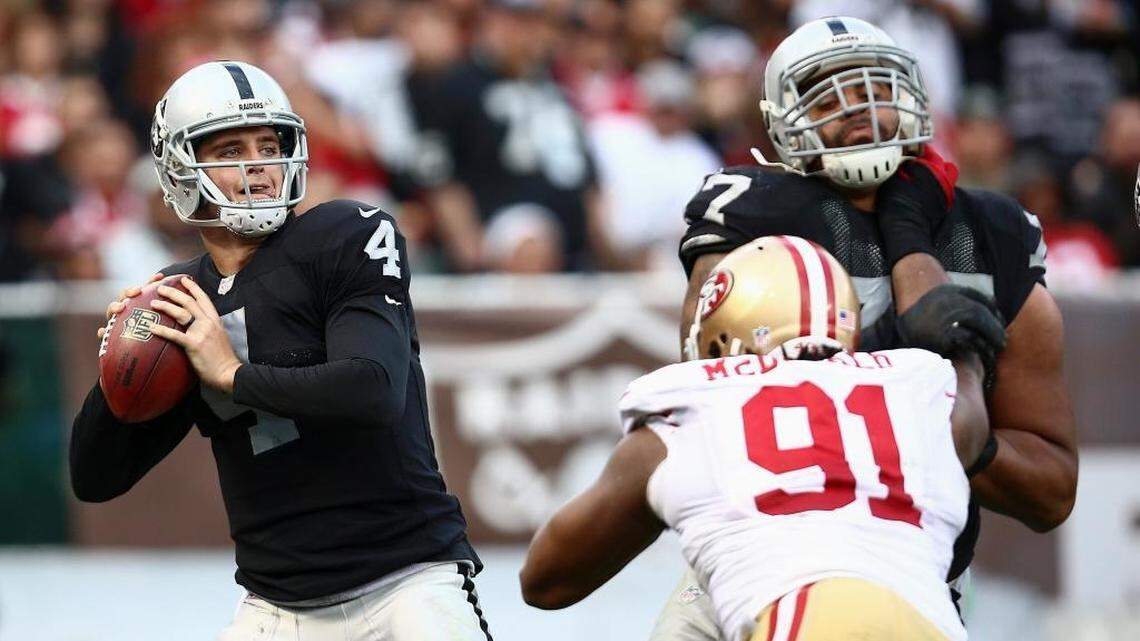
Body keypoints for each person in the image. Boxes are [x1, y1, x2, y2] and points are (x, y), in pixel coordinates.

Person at [666, 16, 1077, 640]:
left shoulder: (993, 231)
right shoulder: (752, 209)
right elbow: (726, 409)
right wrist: (922, 378)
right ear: (780, 120)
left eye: (872, 90)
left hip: (918, 577)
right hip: (757, 570)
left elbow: (1050, 490)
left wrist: (962, 441)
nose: (856, 110)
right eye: (826, 95)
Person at [69, 60, 491, 641]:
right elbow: (95, 478)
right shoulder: (178, 298)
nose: (259, 166)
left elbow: (371, 388)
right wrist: (118, 372)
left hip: (405, 583)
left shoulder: (346, 234)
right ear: (179, 169)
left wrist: (233, 376)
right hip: (276, 607)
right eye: (230, 150)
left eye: (269, 145)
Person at [520, 236, 1005, 641]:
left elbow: (546, 580)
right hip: (931, 622)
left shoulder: (690, 409)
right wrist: (963, 353)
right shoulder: (918, 385)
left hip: (807, 615)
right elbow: (968, 426)